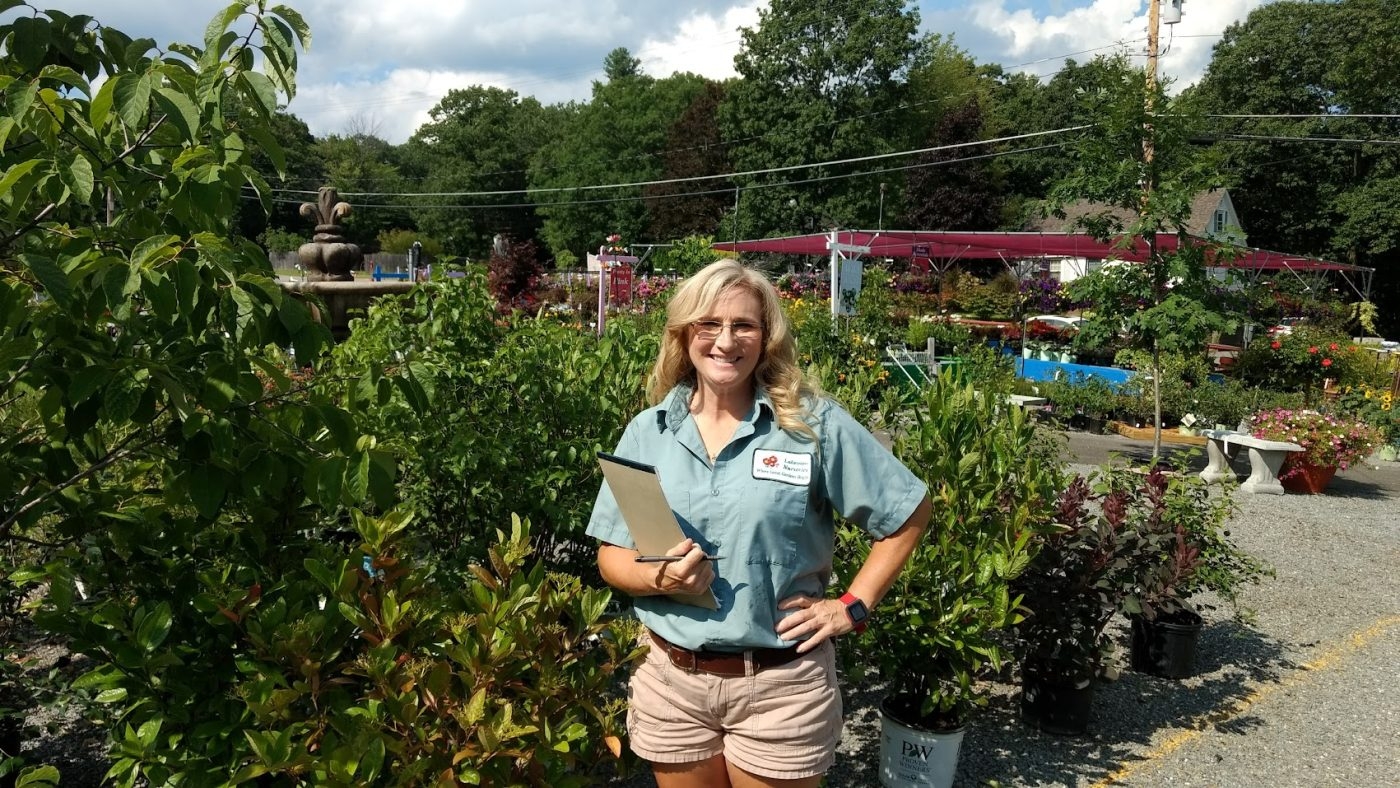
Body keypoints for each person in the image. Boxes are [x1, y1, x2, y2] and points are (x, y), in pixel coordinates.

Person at [587, 259, 932, 787]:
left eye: (743, 325)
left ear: (766, 337)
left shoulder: (811, 426)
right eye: (709, 323)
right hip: (671, 682)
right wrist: (661, 577)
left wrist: (852, 606)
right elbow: (611, 555)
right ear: (684, 333)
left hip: (781, 689)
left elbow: (908, 512)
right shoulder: (648, 432)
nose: (726, 341)